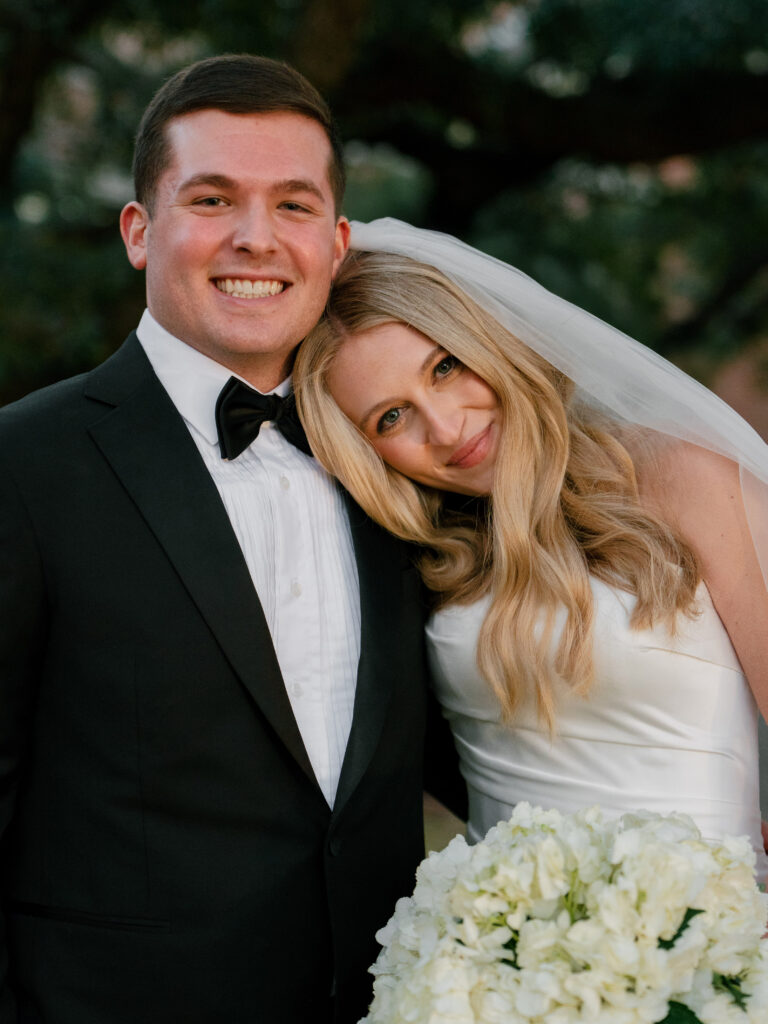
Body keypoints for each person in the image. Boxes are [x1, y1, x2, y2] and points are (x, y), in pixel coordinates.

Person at [0, 62, 461, 1024]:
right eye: (212, 200)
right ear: (140, 230)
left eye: (293, 205)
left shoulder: (401, 455)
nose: (256, 237)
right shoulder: (24, 466)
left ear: (335, 244)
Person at [294, 217, 768, 876]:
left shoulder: (680, 476)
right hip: (512, 961)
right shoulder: (422, 560)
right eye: (391, 417)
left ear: (487, 339)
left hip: (718, 941)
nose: (446, 425)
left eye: (446, 366)